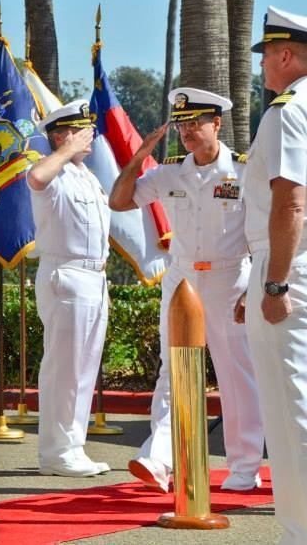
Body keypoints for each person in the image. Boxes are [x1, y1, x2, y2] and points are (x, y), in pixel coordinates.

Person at [109, 88, 264, 493]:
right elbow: (119, 201)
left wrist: (255, 287)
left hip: (231, 279)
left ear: (217, 123)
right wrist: (141, 155)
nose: (188, 131)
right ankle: (158, 458)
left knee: (235, 375)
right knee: (172, 370)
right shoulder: (169, 172)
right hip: (182, 279)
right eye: (182, 124)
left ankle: (245, 467)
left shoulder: (245, 172)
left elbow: (262, 236)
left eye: (196, 122)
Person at [242, 6, 307, 542]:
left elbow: (289, 202)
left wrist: (274, 283)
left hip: (288, 264)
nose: (263, 65)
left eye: (266, 55)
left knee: (291, 410)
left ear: (286, 55)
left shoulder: (287, 111)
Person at [27, 100, 112, 478]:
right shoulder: (55, 174)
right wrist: (64, 150)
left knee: (83, 367)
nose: (89, 135)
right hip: (67, 273)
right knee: (63, 368)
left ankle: (72, 446)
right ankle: (56, 451)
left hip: (95, 276)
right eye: (81, 131)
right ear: (62, 135)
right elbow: (36, 177)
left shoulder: (85, 176)